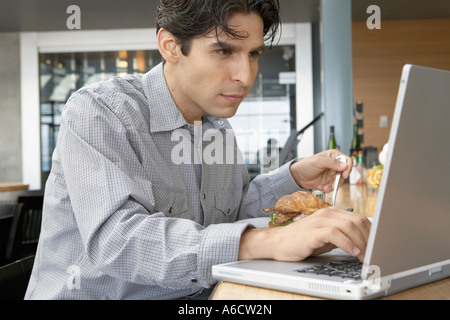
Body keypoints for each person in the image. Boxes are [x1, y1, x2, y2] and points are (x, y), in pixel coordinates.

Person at [25, 0, 370, 300]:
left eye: (253, 54)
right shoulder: (101, 112)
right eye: (224, 51)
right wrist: (264, 243)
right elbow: (117, 241)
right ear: (171, 46)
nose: (246, 76)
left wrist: (294, 176)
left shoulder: (217, 127)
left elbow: (231, 214)